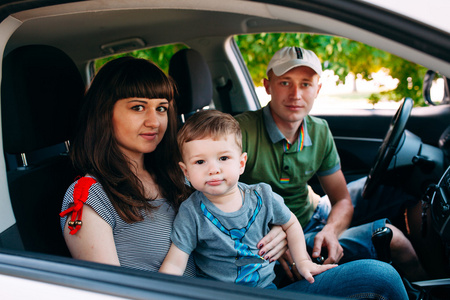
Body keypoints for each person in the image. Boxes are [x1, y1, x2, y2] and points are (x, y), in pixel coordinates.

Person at [59, 57, 285, 275]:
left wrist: (276, 233)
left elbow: (234, 218)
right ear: (104, 112)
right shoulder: (90, 197)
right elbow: (109, 292)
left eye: (161, 108)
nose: (154, 121)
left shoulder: (180, 174)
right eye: (138, 107)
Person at [235, 46, 427, 282]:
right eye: (285, 82)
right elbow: (215, 197)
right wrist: (265, 233)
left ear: (318, 89)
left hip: (317, 212)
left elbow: (342, 200)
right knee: (394, 240)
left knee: (407, 185)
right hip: (276, 238)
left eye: (305, 84)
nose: (296, 94)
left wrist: (331, 230)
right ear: (267, 86)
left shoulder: (319, 130)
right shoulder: (240, 132)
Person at [159, 110, 337, 288]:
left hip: (265, 289)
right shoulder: (191, 212)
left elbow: (290, 223)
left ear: (241, 163)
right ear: (186, 172)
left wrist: (303, 261)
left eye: (223, 158)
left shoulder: (263, 196)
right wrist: (157, 290)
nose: (213, 169)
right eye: (200, 162)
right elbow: (175, 263)